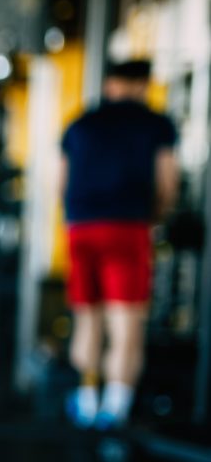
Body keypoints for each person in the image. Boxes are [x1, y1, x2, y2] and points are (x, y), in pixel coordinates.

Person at [61, 60, 179, 430]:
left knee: (87, 317)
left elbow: (60, 182)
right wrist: (155, 218)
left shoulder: (80, 123)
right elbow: (167, 183)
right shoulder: (155, 123)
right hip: (128, 228)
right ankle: (115, 408)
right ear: (142, 84)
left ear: (110, 83)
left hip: (81, 228)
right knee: (126, 320)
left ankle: (87, 398)